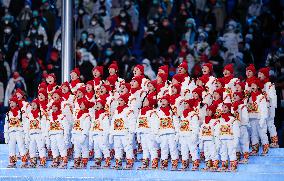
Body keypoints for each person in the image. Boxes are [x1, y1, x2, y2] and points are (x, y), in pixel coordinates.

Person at [4, 96, 28, 168]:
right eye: (10, 103)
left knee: (21, 146)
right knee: (11, 147)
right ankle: (12, 162)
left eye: (13, 102)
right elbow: (6, 125)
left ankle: (24, 162)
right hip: (11, 133)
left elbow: (25, 124)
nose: (11, 104)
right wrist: (6, 136)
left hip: (19, 132)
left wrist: (25, 134)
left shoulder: (21, 113)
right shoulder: (8, 114)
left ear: (17, 103)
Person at [90, 99, 111, 169]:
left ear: (102, 106)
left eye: (99, 104)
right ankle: (97, 161)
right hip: (95, 134)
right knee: (96, 148)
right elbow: (92, 127)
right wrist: (91, 136)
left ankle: (107, 160)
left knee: (103, 147)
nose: (97, 105)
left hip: (101, 134)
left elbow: (106, 127)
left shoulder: (104, 115)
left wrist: (105, 136)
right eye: (96, 104)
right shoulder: (94, 116)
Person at [25, 99, 47, 168]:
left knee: (41, 148)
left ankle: (42, 161)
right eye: (31, 105)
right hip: (31, 134)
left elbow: (43, 126)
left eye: (34, 104)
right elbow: (27, 126)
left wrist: (44, 135)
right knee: (31, 148)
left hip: (39, 134)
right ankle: (33, 161)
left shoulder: (41, 114)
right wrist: (27, 135)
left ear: (38, 105)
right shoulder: (29, 115)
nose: (33, 106)